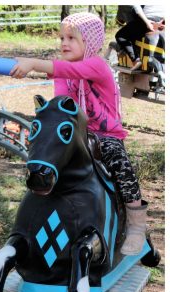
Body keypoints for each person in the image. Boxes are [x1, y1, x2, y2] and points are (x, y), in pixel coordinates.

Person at [9, 12, 148, 256]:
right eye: (62, 37)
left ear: (89, 43)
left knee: (119, 163)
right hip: (78, 135)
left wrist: (33, 63)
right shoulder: (63, 71)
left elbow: (65, 69)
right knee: (49, 157)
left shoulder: (96, 65)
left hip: (105, 134)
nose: (64, 43)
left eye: (72, 38)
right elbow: (62, 103)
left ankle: (136, 224)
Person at [115, 5, 165, 70]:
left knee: (120, 35)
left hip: (149, 20)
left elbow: (136, 6)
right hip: (163, 20)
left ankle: (136, 60)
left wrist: (147, 22)